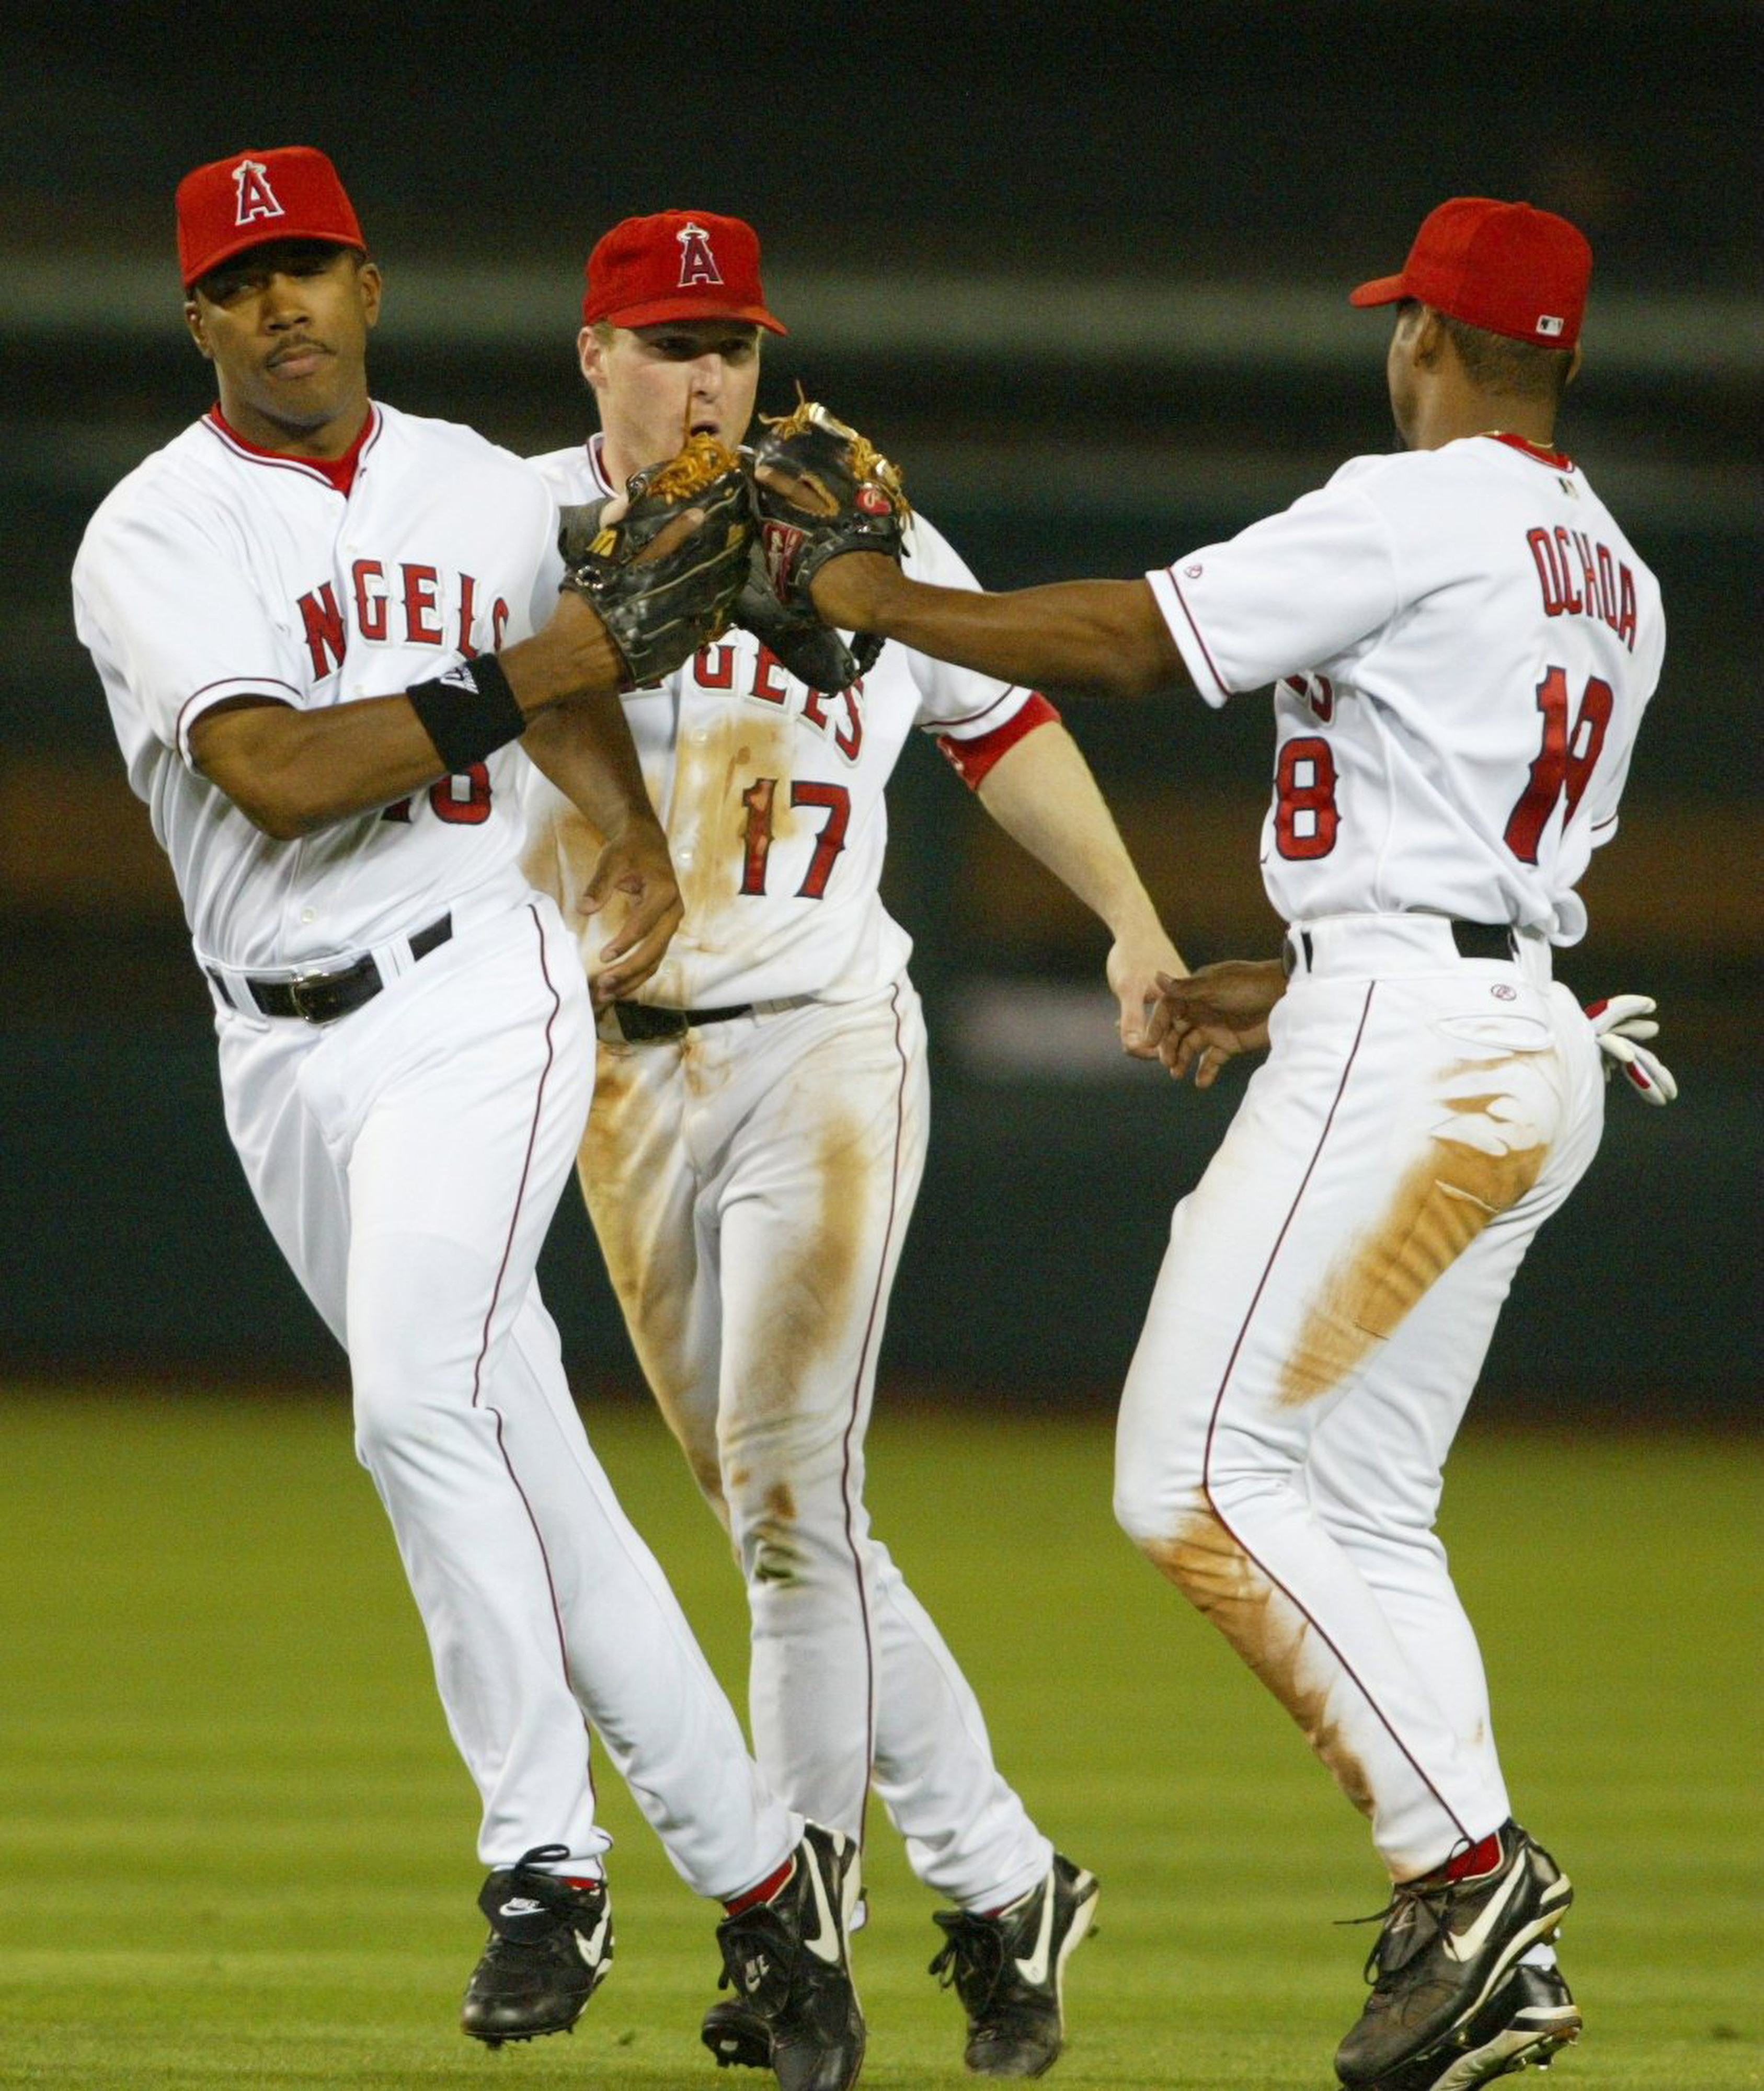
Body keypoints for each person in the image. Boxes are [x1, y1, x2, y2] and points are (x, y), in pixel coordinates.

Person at [777, 198, 1665, 2091]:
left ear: (1430, 333)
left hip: (1422, 1044)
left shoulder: (1422, 498)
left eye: (1402, 319)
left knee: (1187, 1470)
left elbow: (1123, 639)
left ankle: (1473, 1873)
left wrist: (884, 607)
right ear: (1563, 351)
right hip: (1520, 1033)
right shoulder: (1618, 571)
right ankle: (1480, 1932)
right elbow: (1474, 853)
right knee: (1362, 1511)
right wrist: (1293, 972)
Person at [71, 146, 865, 2091]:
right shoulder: (151, 528)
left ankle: (544, 1866)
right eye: (246, 280)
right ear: (200, 317)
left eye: (316, 266)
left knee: (414, 1403)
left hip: (475, 986)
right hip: (278, 1053)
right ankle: (773, 1909)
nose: (287, 305)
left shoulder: (471, 485)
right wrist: (545, 674)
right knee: (541, 1487)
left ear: (368, 281)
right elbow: (268, 773)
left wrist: (622, 838)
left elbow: (567, 695)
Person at [520, 208, 1183, 2078]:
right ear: (590, 356)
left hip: (821, 1049)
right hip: (619, 1082)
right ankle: (1004, 1875)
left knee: (795, 1517)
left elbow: (1000, 717)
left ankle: (792, 1922)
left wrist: (1133, 921)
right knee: (777, 1516)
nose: (703, 371)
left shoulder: (840, 515)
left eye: (727, 337)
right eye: (662, 339)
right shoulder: (509, 523)